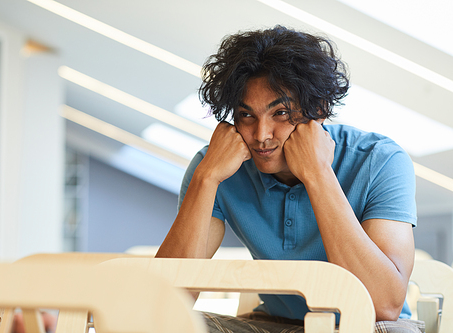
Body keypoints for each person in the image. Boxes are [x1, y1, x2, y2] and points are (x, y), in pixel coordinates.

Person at [156, 25, 424, 333]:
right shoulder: (215, 166)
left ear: (319, 109)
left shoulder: (380, 159)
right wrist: (206, 178)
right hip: (273, 326)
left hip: (365, 326)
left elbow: (384, 305)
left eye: (280, 113)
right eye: (246, 115)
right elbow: (164, 300)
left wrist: (318, 174)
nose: (261, 136)